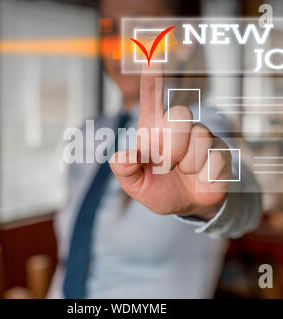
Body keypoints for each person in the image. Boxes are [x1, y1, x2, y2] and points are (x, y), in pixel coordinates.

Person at [48, 0, 262, 298]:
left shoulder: (202, 126)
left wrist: (211, 203)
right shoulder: (89, 134)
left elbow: (245, 199)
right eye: (110, 27)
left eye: (140, 25)